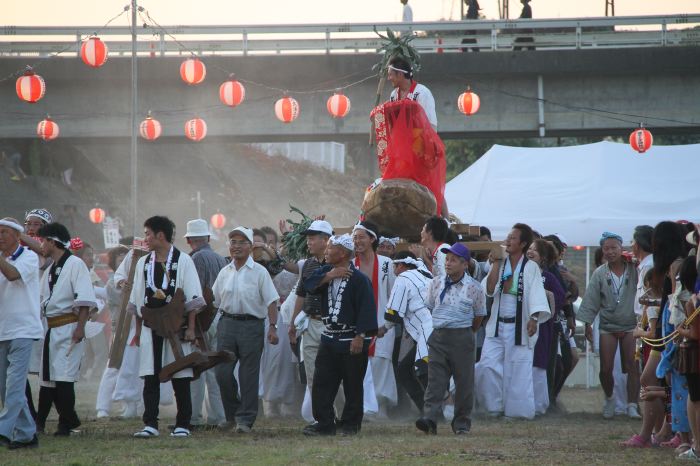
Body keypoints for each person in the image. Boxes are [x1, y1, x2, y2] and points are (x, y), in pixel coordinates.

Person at [130, 216, 206, 438]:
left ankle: (183, 423)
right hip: (150, 326)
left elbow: (192, 298)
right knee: (150, 375)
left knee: (180, 374)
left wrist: (191, 329)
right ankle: (150, 424)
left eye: (147, 234)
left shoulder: (183, 261)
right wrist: (137, 331)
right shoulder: (144, 263)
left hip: (177, 327)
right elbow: (137, 301)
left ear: (160, 235)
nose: (145, 239)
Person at [302, 234, 378, 436]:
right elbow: (308, 285)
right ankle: (325, 424)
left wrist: (360, 336)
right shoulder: (326, 272)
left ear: (342, 253)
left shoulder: (360, 280)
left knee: (353, 384)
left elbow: (367, 309)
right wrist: (330, 275)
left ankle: (351, 425)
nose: (326, 252)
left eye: (330, 248)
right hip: (329, 338)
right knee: (322, 383)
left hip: (352, 338)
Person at [475, 223, 550, 420]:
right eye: (508, 237)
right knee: (487, 365)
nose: (508, 241)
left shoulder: (531, 267)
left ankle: (517, 412)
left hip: (521, 324)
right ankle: (493, 407)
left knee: (518, 367)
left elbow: (536, 294)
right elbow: (489, 290)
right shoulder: (500, 262)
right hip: (497, 324)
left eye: (513, 238)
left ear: (523, 243)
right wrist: (497, 263)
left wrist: (534, 318)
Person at [212, 226, 280, 433]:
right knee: (221, 372)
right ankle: (232, 414)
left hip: (252, 325)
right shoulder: (224, 272)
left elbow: (271, 301)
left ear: (251, 246)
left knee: (248, 374)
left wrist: (273, 328)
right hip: (227, 324)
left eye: (242, 242)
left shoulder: (260, 272)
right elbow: (214, 302)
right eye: (233, 242)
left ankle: (245, 420)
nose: (237, 246)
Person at [416, 243, 485, 434]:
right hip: (439, 336)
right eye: (447, 259)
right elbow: (430, 306)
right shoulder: (436, 283)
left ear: (465, 264)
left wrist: (466, 332)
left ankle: (462, 423)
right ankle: (429, 418)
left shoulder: (474, 288)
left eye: (454, 260)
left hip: (462, 335)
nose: (448, 263)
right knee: (435, 380)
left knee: (464, 382)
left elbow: (479, 316)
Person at [36, 222, 97, 436]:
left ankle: (66, 423)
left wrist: (80, 328)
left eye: (43, 241)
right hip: (52, 328)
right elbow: (43, 300)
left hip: (70, 327)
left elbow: (85, 299)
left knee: (64, 378)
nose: (41, 245)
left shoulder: (75, 264)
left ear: (52, 241)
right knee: (48, 379)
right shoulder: (52, 268)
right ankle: (51, 421)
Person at [577, 232, 640, 419]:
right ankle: (610, 397)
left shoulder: (635, 269)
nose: (610, 252)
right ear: (602, 251)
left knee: (632, 367)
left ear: (622, 249)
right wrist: (586, 323)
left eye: (614, 248)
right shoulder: (599, 273)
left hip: (630, 324)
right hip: (607, 325)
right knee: (605, 368)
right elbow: (591, 300)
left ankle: (632, 404)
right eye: (606, 248)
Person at [0, 217, 43, 449]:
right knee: (4, 387)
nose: (0, 237)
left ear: (18, 236)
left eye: (4, 232)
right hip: (3, 329)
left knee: (15, 384)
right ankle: (27, 433)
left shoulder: (28, 257)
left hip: (24, 329)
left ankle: (4, 429)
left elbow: (13, 275)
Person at [288, 220, 333, 420]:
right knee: (312, 374)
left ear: (326, 240)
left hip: (331, 325)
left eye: (313, 238)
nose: (309, 242)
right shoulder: (307, 265)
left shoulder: (337, 264)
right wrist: (292, 324)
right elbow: (301, 295)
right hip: (310, 323)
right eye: (308, 238)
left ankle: (333, 414)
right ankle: (321, 418)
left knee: (331, 374)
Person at [184, 219, 227, 429]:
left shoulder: (194, 259)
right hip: (220, 318)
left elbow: (196, 295)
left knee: (197, 369)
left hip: (201, 320)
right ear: (208, 238)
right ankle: (218, 416)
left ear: (189, 240)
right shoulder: (221, 259)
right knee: (214, 369)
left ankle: (193, 417)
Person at [352, 221, 397, 416]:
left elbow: (394, 297)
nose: (357, 241)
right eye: (355, 237)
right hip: (356, 326)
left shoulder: (387, 265)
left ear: (372, 239)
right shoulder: (351, 265)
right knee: (358, 365)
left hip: (382, 325)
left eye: (361, 237)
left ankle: (382, 408)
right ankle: (362, 407)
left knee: (380, 364)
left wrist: (386, 325)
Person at [379, 251, 433, 412]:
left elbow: (394, 311)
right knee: (404, 370)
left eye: (395, 266)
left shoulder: (403, 277)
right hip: (437, 327)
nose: (394, 271)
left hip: (426, 329)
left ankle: (434, 413)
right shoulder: (426, 274)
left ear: (401, 265)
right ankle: (426, 411)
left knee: (424, 370)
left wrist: (382, 328)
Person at [526, 239, 564, 416]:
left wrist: (544, 294)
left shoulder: (548, 277)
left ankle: (539, 404)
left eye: (535, 250)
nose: (530, 252)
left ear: (543, 258)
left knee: (538, 364)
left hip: (541, 326)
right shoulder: (521, 273)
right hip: (523, 325)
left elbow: (560, 297)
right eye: (529, 248)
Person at [387, 56, 437, 130]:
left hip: (418, 139)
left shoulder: (422, 92)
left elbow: (431, 123)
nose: (389, 78)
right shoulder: (393, 95)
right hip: (400, 140)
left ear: (400, 74)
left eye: (390, 74)